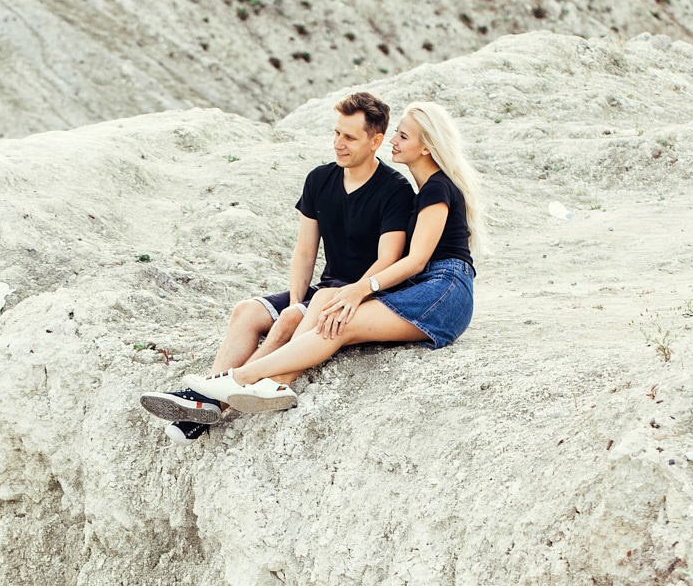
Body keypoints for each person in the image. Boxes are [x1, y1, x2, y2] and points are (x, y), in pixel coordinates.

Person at [140, 91, 413, 439]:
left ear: (375, 141)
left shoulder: (395, 190)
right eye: (335, 133)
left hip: (360, 293)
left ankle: (207, 397)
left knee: (291, 318)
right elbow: (305, 250)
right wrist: (299, 300)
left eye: (349, 137)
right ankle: (207, 402)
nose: (337, 144)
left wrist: (330, 301)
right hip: (323, 289)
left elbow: (388, 259)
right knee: (246, 311)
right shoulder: (319, 179)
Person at [179, 101, 482, 414]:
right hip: (429, 287)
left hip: (445, 288)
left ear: (426, 147)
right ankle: (272, 384)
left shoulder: (433, 189)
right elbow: (307, 250)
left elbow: (416, 261)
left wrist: (360, 288)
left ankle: (240, 377)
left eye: (403, 136)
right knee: (332, 314)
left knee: (341, 321)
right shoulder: (425, 190)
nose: (394, 140)